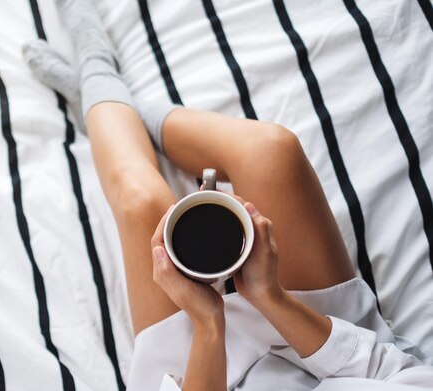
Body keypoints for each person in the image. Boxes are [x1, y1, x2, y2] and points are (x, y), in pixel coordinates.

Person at [23, 0, 433, 389]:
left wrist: (208, 324)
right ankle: (114, 101)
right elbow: (388, 370)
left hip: (203, 375)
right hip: (330, 346)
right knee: (271, 151)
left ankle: (98, 79)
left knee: (140, 200)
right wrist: (267, 296)